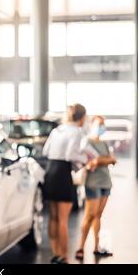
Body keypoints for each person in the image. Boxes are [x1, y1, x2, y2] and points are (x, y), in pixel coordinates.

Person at [42, 104, 88, 264]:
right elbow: (71, 155)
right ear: (82, 117)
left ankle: (55, 253)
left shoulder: (57, 130)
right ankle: (64, 257)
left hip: (50, 171)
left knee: (53, 217)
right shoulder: (76, 132)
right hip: (62, 173)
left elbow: (45, 151)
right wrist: (85, 161)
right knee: (63, 219)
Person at [75, 116, 116, 260]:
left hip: (106, 182)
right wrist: (103, 160)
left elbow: (112, 159)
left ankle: (96, 246)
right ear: (92, 125)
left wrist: (99, 160)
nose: (102, 127)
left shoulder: (104, 143)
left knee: (98, 216)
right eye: (100, 124)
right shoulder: (86, 141)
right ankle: (80, 246)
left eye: (103, 124)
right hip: (93, 183)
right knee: (90, 215)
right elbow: (88, 161)